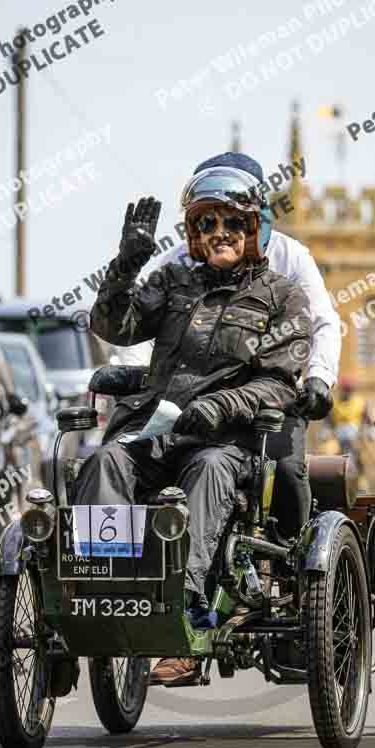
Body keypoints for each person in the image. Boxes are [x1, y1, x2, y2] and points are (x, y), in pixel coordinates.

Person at [75, 165, 312, 685]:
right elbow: (113, 325)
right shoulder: (172, 280)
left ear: (252, 230)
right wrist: (126, 264)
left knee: (206, 470)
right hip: (157, 429)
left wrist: (227, 404)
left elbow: (282, 382)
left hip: (228, 444)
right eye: (207, 224)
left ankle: (187, 609)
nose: (218, 233)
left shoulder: (282, 295)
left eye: (230, 223)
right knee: (105, 459)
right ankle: (100, 595)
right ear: (194, 235)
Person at [118, 152, 341, 538]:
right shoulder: (177, 264)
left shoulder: (291, 258)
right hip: (183, 401)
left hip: (267, 396)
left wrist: (320, 378)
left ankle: (293, 555)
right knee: (118, 457)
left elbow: (323, 322)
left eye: (233, 215)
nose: (219, 229)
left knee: (285, 467)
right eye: (208, 216)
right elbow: (132, 330)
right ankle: (117, 560)